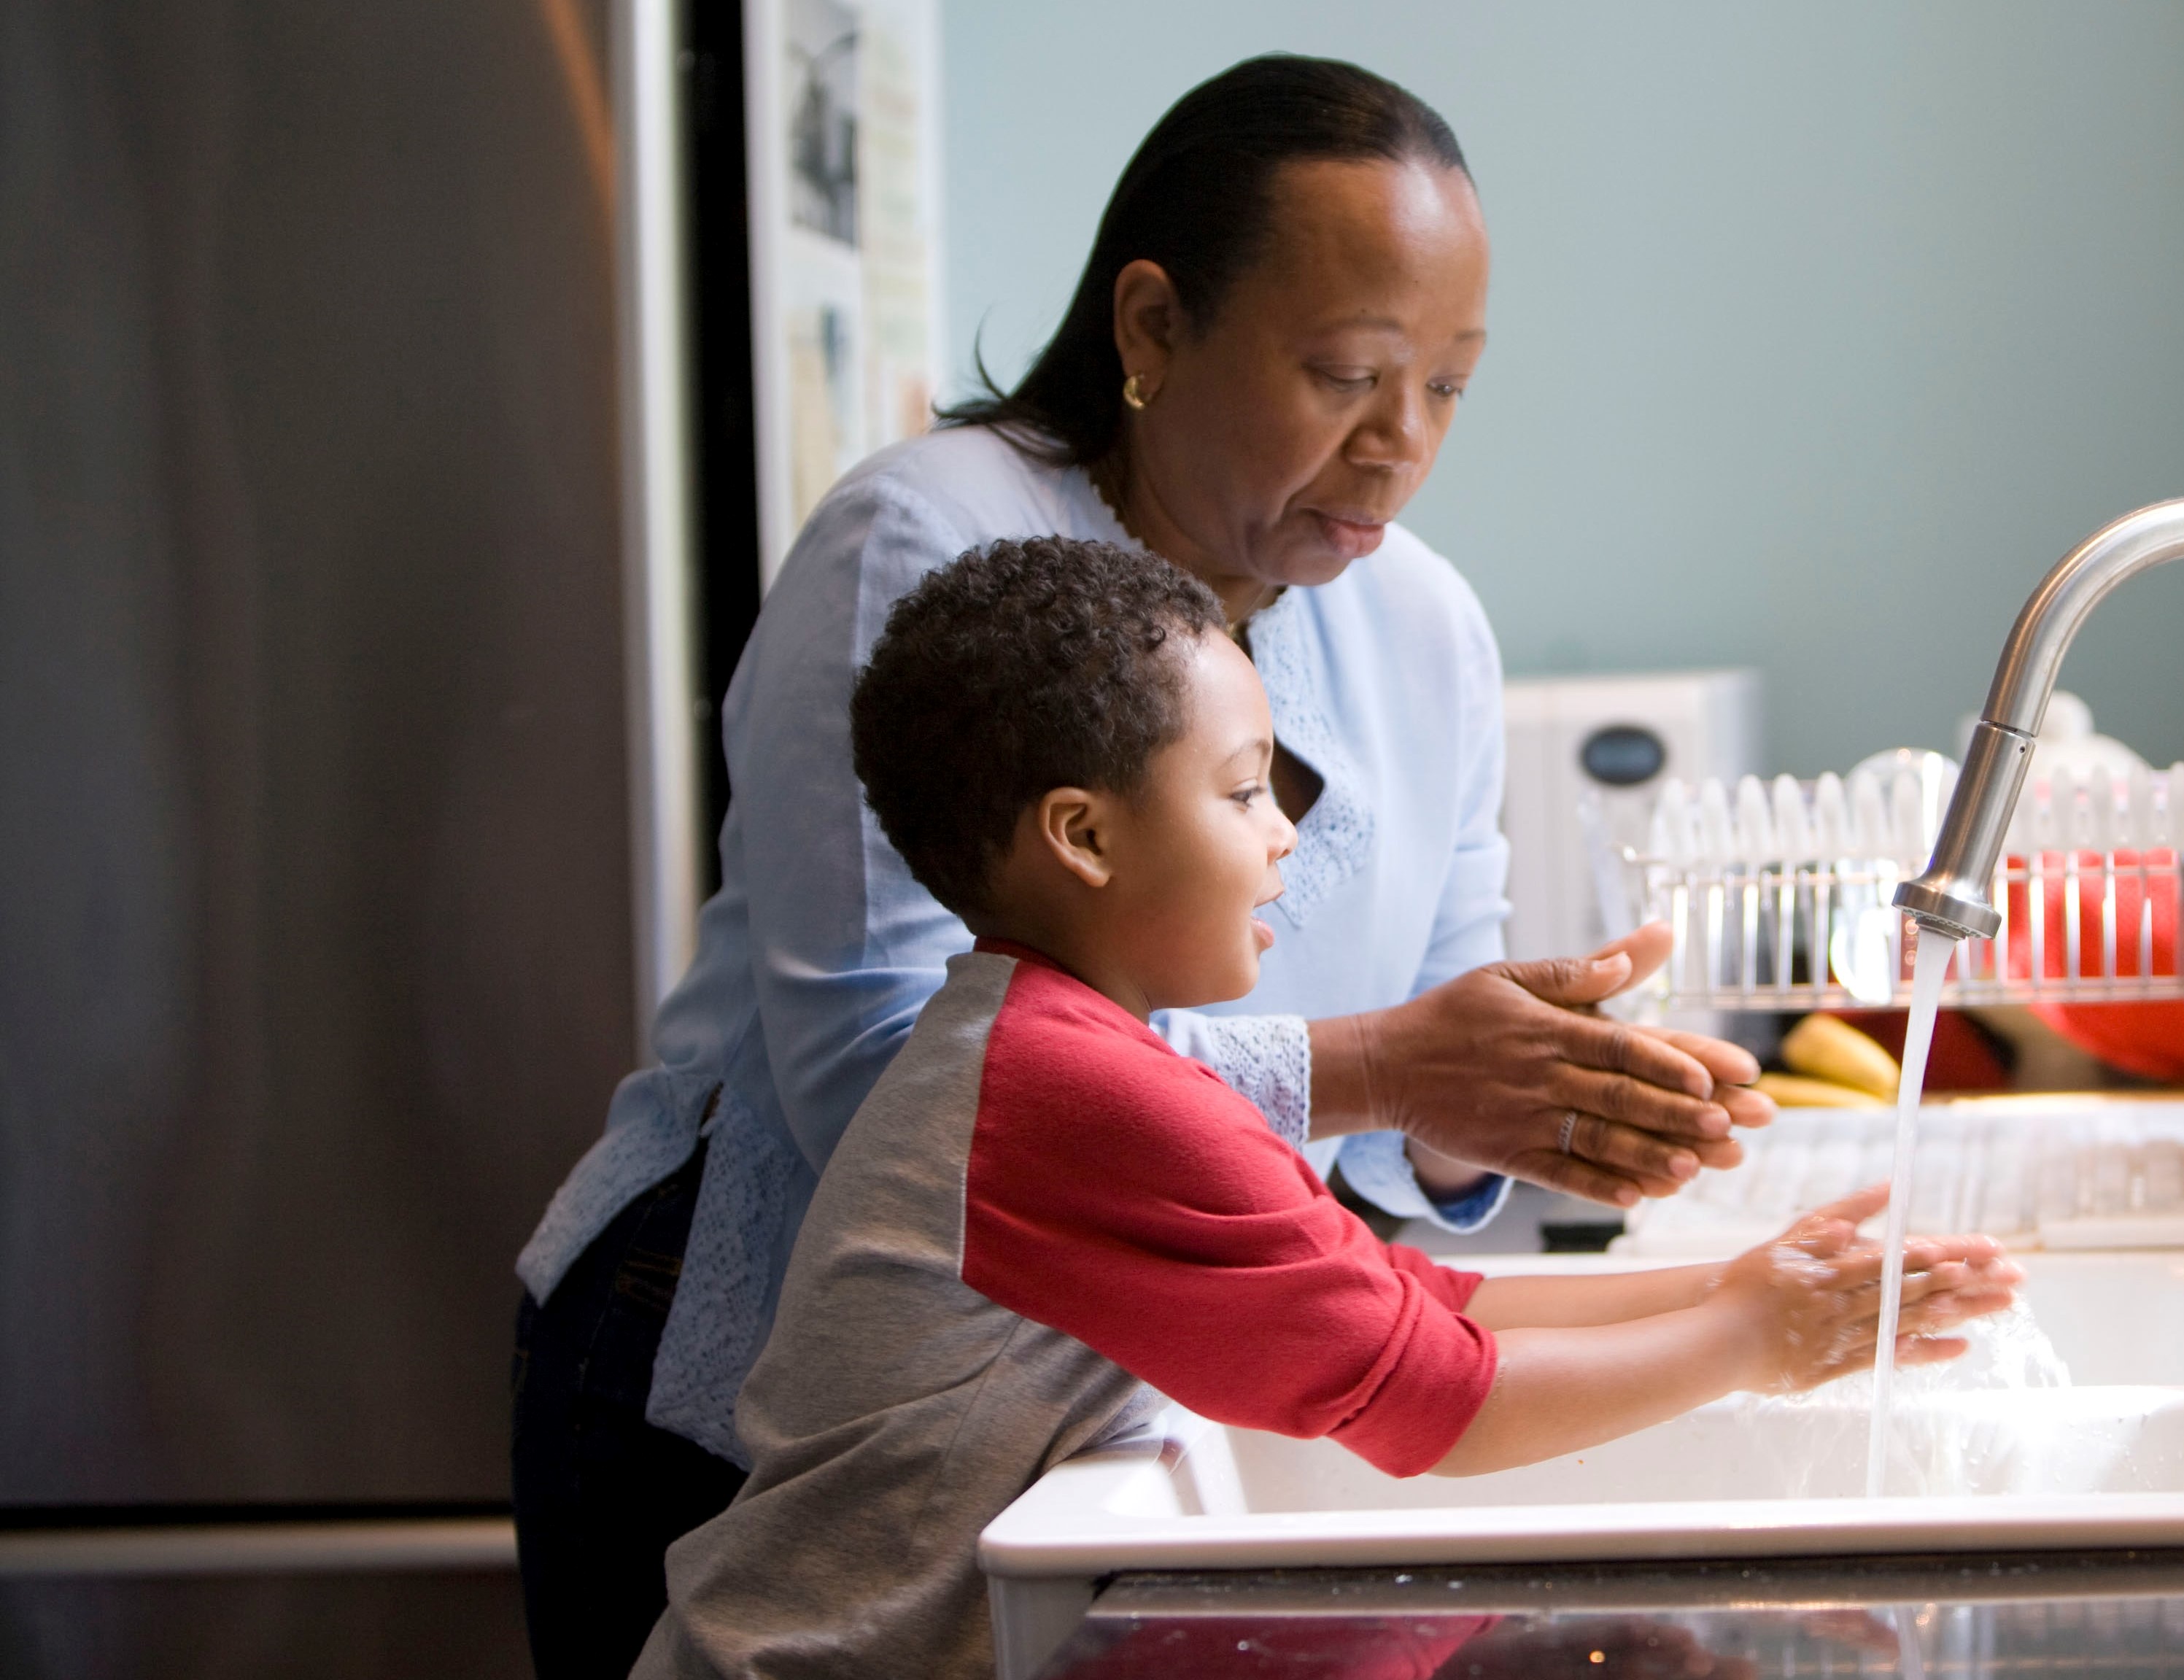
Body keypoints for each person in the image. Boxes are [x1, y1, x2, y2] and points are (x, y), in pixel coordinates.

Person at [511, 54, 1779, 1675]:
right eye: (1346, 372)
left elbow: (1403, 1170)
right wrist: (1389, 1066)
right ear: (1150, 327)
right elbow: (885, 1088)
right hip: (732, 1372)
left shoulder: (1425, 624)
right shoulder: (929, 538)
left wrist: (1525, 1103)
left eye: (1449, 385)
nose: (1401, 443)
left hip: (1092, 1406)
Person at [630, 538, 2020, 1678]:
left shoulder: (1059, 1048)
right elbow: (1436, 1406)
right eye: (1243, 791)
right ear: (1086, 836)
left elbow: (1409, 1301)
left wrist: (1729, 1285)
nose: (1286, 831)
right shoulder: (1071, 1094)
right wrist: (1749, 1341)